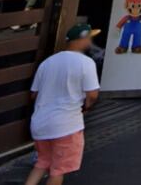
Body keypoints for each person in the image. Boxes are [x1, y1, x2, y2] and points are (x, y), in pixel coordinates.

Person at [26, 24, 101, 185]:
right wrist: (87, 106)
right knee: (58, 170)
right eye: (88, 37)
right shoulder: (86, 63)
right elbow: (93, 94)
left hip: (40, 123)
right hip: (66, 125)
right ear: (81, 39)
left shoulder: (47, 63)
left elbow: (34, 94)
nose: (90, 41)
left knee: (41, 163)